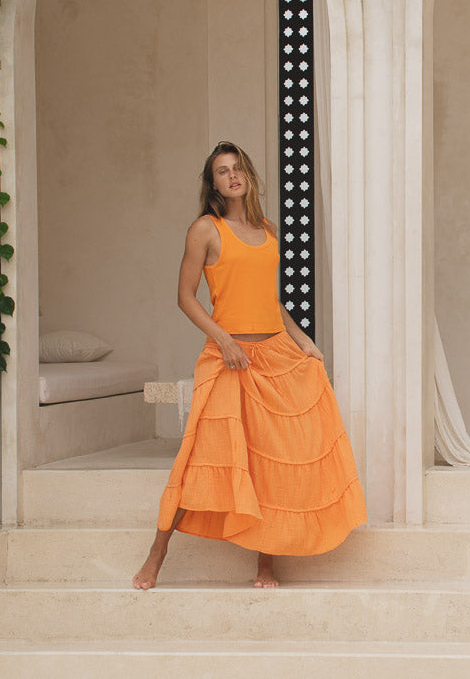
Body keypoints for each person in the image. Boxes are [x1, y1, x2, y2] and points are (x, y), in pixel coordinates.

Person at [133, 141, 367, 589]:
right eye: (222, 171)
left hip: (274, 354)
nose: (232, 176)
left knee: (275, 460)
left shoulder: (268, 229)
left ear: (249, 176)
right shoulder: (205, 229)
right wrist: (224, 341)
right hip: (227, 356)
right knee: (201, 459)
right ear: (213, 182)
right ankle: (156, 555)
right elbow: (185, 297)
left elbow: (269, 300)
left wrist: (303, 340)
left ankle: (266, 565)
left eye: (237, 168)